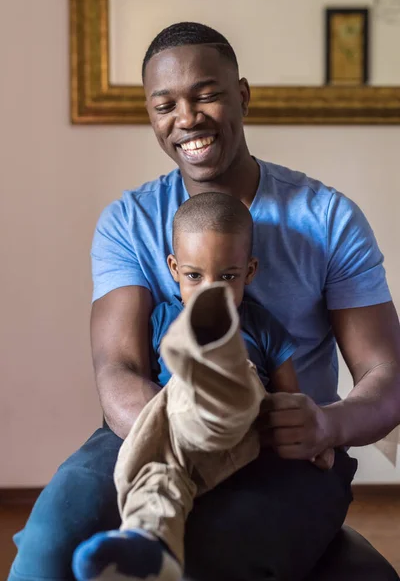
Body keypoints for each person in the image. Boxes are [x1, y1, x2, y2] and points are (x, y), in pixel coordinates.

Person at [8, 22, 400, 581]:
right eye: (164, 104)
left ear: (242, 95)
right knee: (48, 542)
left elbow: (387, 374)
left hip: (283, 450)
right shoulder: (129, 221)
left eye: (206, 95)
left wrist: (327, 426)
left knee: (212, 559)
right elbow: (116, 368)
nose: (186, 118)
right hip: (152, 423)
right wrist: (189, 432)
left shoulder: (329, 219)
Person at [72, 193, 334, 581]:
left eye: (227, 276)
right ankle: (148, 546)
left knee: (227, 382)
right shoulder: (161, 318)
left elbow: (290, 399)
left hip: (243, 428)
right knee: (158, 476)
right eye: (195, 276)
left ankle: (214, 368)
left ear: (249, 270)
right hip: (180, 433)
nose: (211, 289)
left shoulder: (262, 326)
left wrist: (316, 439)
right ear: (175, 269)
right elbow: (138, 387)